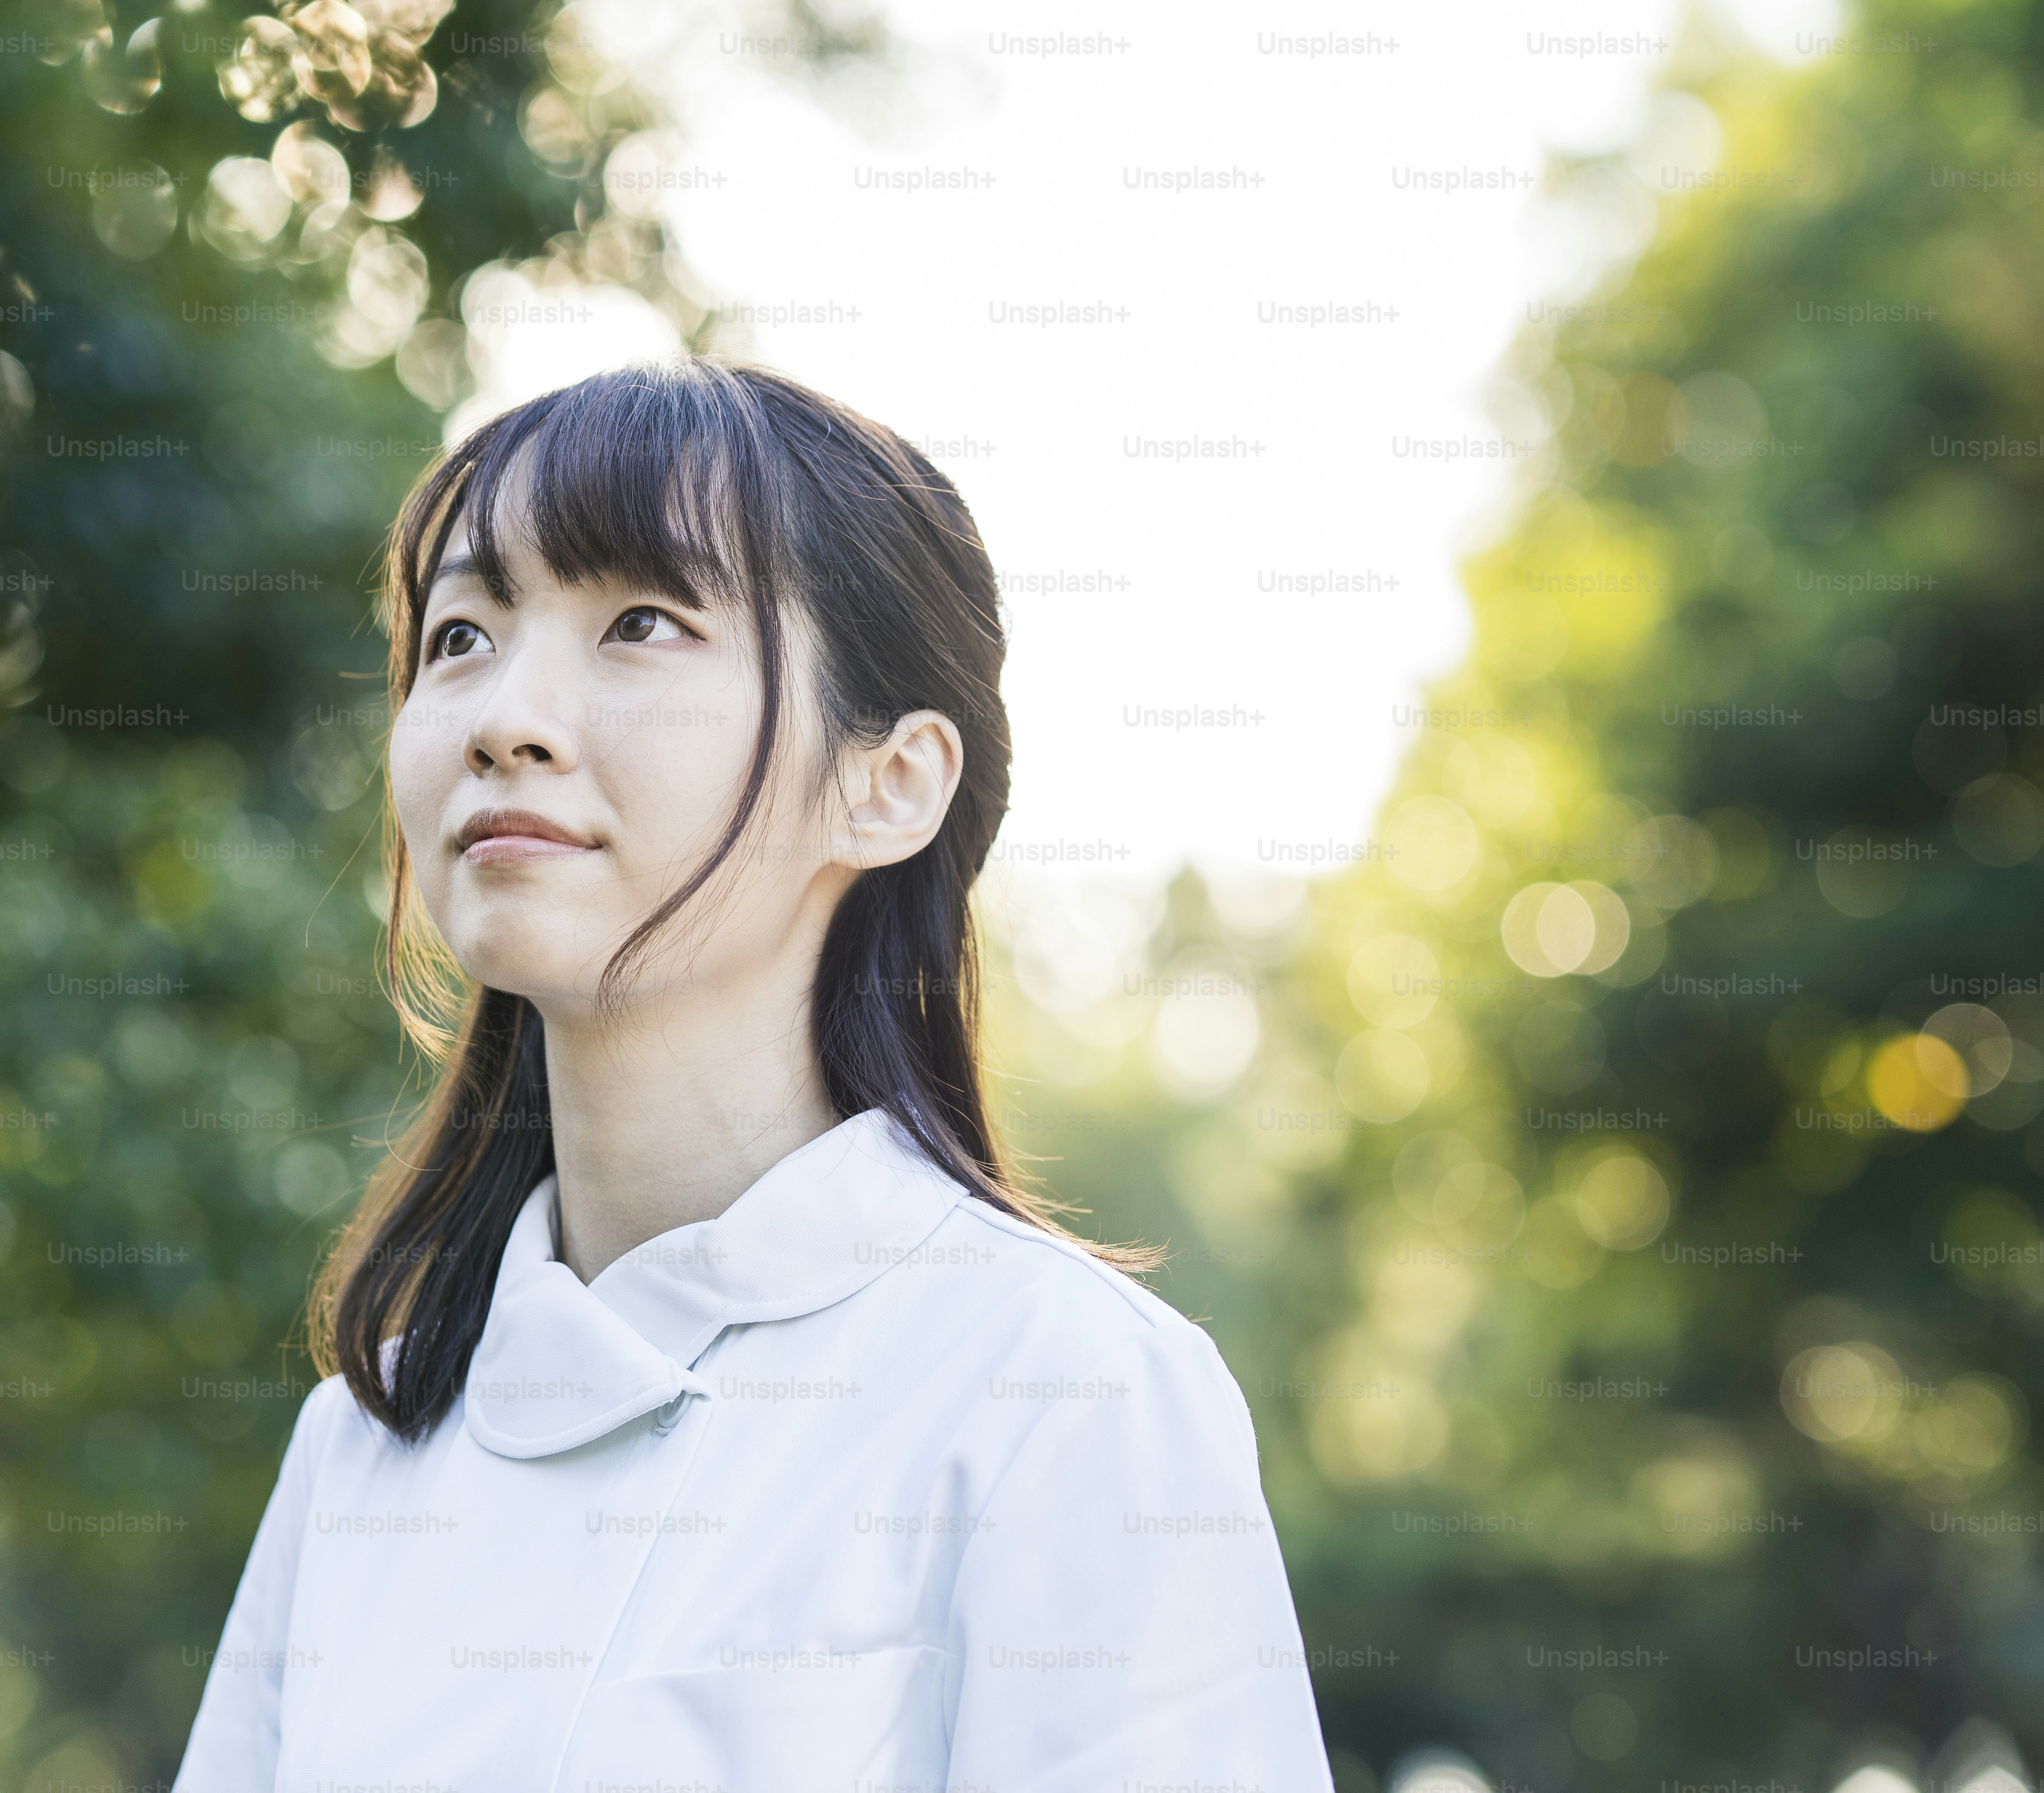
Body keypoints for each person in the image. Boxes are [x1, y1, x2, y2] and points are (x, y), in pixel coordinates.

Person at [174, 359, 1332, 1790]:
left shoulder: (1063, 1393)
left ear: (888, 783)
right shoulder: (364, 1444)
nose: (503, 717)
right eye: (462, 635)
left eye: (642, 624)